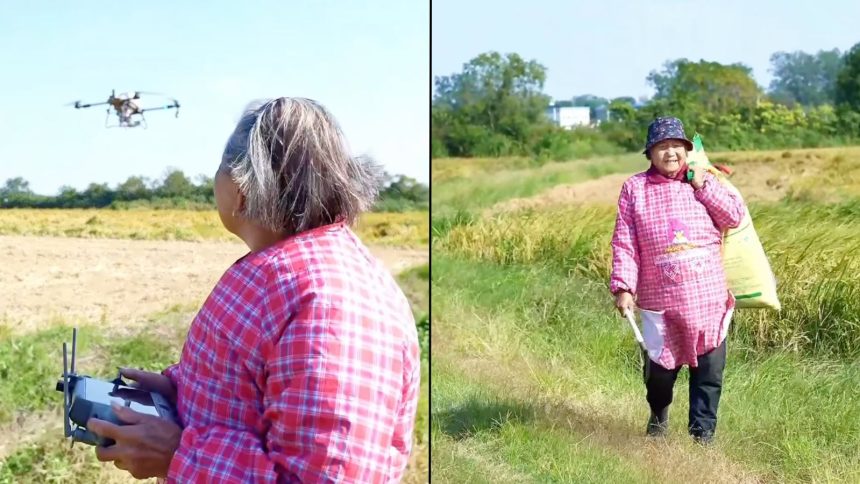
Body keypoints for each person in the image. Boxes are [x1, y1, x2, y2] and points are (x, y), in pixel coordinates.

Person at [87, 97, 422, 482]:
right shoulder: (296, 271)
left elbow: (328, 476)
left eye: (219, 168)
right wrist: (182, 391)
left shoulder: (331, 300)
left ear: (241, 187)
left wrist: (178, 455)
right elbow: (259, 389)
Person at [609, 116, 745, 444]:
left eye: (676, 146)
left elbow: (733, 216)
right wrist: (624, 287)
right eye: (662, 147)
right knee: (659, 374)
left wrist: (702, 185)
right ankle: (658, 414)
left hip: (707, 299)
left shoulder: (705, 180)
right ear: (650, 153)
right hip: (661, 302)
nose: (670, 153)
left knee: (709, 373)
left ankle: (702, 438)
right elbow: (625, 242)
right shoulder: (635, 189)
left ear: (686, 150)